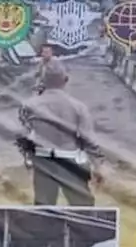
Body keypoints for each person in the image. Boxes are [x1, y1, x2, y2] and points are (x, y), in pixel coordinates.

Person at [20, 67, 98, 206]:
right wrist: (98, 165)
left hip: (43, 160)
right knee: (82, 206)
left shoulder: (30, 105)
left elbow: (24, 133)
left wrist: (27, 157)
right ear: (65, 80)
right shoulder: (78, 107)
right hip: (70, 160)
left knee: (45, 206)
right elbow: (88, 140)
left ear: (42, 81)